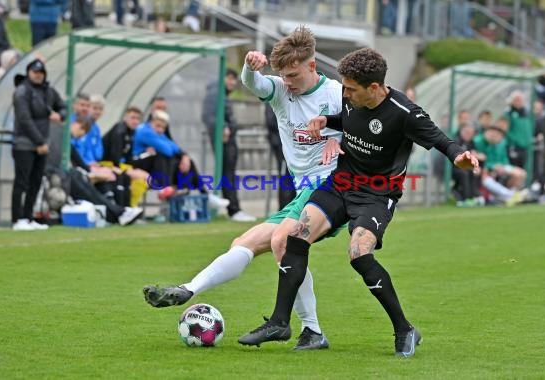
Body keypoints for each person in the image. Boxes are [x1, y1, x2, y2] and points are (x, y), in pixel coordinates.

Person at [238, 47, 479, 357]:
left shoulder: (405, 113)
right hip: (342, 183)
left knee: (358, 253)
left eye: (351, 89)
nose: (345, 93)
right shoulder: (351, 99)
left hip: (377, 194)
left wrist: (460, 156)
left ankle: (405, 329)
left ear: (374, 88)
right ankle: (280, 322)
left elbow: (441, 140)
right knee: (295, 236)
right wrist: (326, 119)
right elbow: (348, 121)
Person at [143, 26, 343, 350]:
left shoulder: (334, 93)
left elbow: (364, 128)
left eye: (293, 74)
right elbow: (255, 83)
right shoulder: (280, 91)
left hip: (332, 187)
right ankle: (187, 289)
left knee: (283, 241)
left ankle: (311, 330)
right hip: (302, 190)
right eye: (283, 75)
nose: (288, 82)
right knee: (244, 242)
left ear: (312, 66)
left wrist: (338, 144)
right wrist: (251, 65)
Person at [12, 58, 67, 231]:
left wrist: (60, 115)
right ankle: (17, 218)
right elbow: (24, 119)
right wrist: (40, 142)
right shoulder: (22, 91)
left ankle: (29, 217)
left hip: (42, 146)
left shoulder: (48, 91)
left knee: (36, 182)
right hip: (24, 144)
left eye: (41, 72)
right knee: (22, 182)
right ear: (28, 73)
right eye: (35, 72)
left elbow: (63, 106)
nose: (38, 75)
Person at [202, 68, 256, 222]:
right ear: (223, 78)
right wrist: (223, 127)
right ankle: (234, 210)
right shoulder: (214, 93)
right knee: (227, 175)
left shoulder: (221, 94)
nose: (232, 82)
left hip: (228, 140)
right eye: (230, 78)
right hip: (224, 142)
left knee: (228, 174)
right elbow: (208, 116)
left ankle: (233, 208)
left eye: (234, 79)